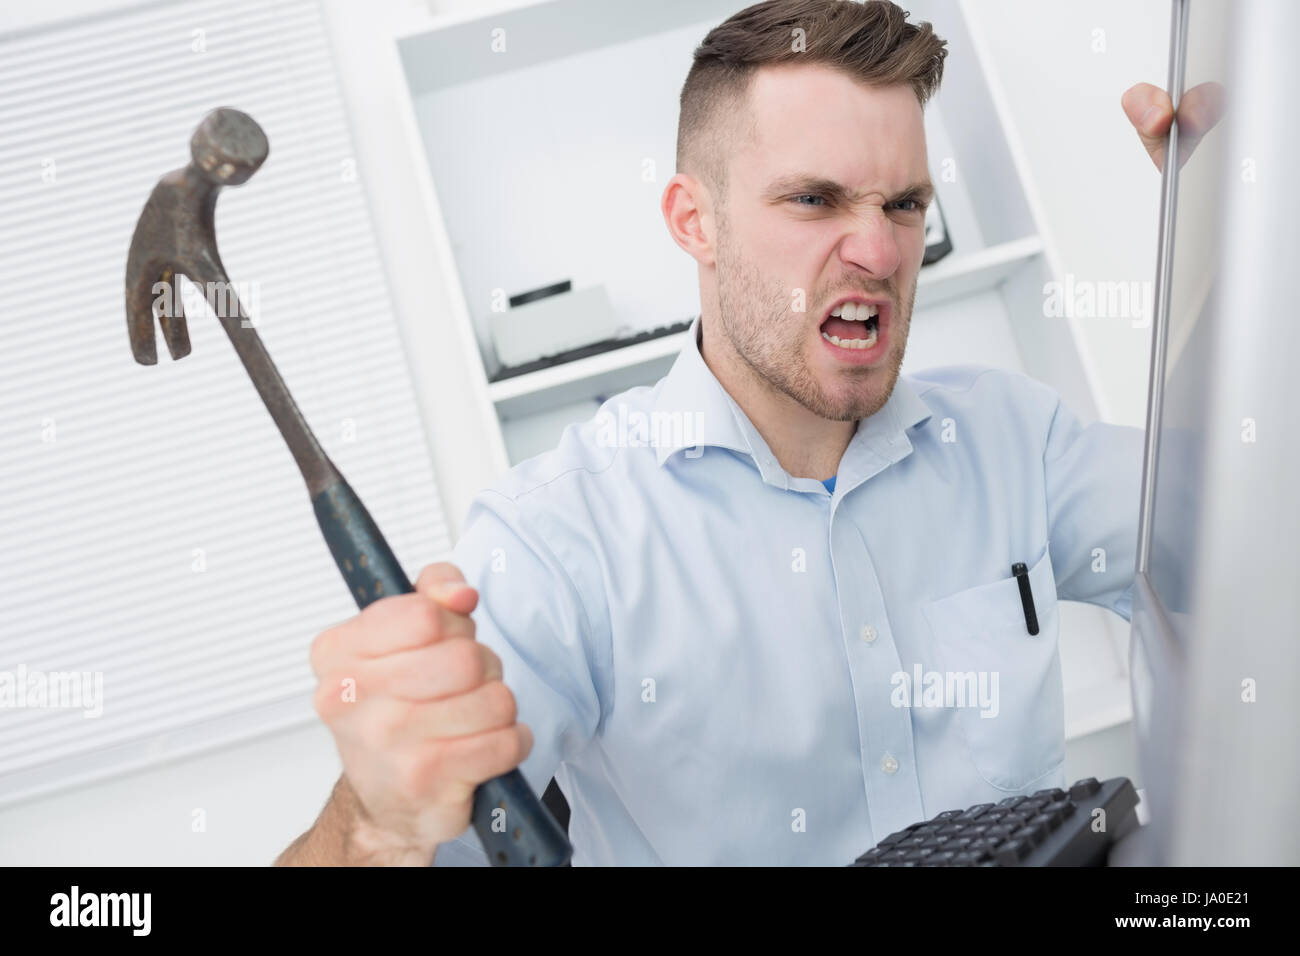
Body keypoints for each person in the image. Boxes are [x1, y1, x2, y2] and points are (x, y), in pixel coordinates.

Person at [276, 0, 1190, 866]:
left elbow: (1255, 531)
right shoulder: (557, 543)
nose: (877, 253)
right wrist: (375, 820)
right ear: (693, 221)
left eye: (904, 204)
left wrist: (1233, 234)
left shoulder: (1011, 439)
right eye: (814, 200)